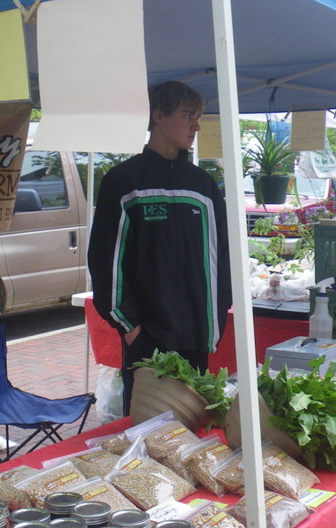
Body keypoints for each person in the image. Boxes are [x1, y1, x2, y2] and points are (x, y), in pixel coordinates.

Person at [87, 80, 231, 415]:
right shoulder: (123, 182)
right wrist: (132, 330)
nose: (196, 125)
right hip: (146, 342)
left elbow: (223, 259)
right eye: (187, 115)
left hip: (196, 342)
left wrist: (215, 322)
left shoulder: (204, 185)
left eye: (198, 116)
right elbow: (106, 265)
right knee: (146, 437)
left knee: (190, 439)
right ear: (158, 115)